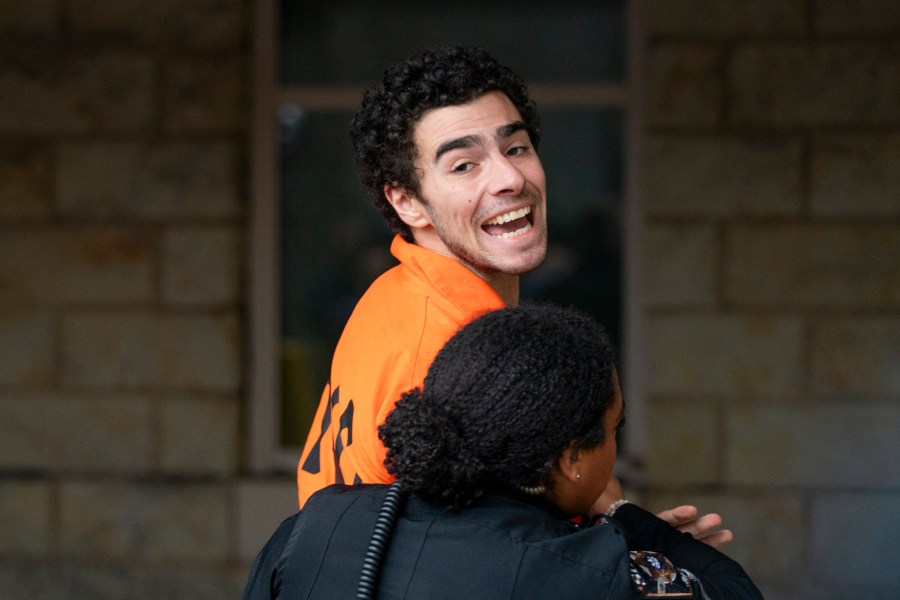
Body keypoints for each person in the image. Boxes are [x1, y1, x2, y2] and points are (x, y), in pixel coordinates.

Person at [295, 45, 731, 547]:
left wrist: (634, 535)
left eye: (516, 148)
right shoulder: (452, 349)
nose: (509, 179)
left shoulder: (398, 292)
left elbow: (553, 482)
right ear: (407, 201)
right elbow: (485, 561)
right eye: (464, 165)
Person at [248, 305, 762, 599]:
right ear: (571, 458)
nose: (613, 449)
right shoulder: (592, 577)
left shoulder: (316, 524)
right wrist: (622, 513)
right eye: (611, 430)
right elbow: (733, 591)